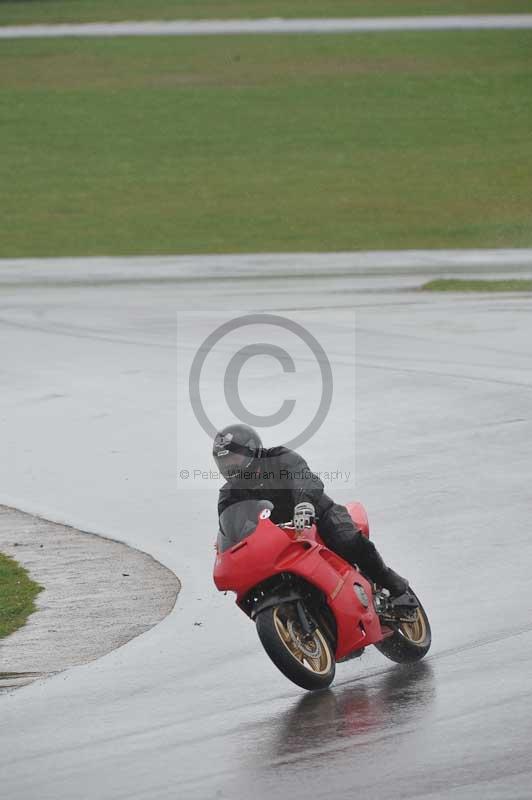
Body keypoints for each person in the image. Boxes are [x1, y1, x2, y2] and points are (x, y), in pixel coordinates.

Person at [213, 422, 412, 602]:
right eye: (225, 463)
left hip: (318, 516)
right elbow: (231, 525)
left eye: (234, 459)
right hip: (280, 539)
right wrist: (227, 545)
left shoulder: (279, 458)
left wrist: (304, 504)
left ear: (252, 450)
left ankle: (389, 582)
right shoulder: (229, 494)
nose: (230, 467)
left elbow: (305, 478)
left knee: (348, 542)